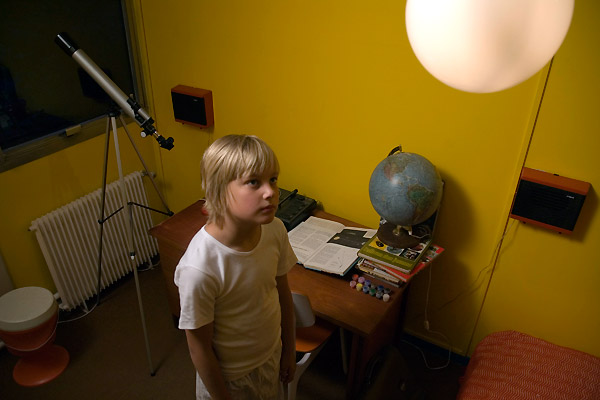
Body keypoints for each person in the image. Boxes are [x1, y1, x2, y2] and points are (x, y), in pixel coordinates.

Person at [175, 134, 297, 400]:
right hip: (229, 380)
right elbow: (199, 349)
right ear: (219, 189)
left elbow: (282, 293)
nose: (270, 192)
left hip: (270, 356)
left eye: (273, 179)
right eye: (254, 181)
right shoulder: (199, 268)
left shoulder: (274, 230)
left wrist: (289, 350)